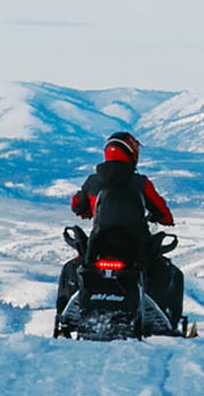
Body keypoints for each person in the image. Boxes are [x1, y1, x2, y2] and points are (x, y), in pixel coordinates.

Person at [56, 131, 184, 330]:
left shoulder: (92, 182)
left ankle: (64, 316)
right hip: (135, 250)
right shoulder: (141, 183)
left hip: (98, 248)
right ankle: (168, 321)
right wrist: (165, 219)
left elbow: (77, 205)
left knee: (73, 266)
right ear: (132, 153)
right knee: (168, 271)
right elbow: (163, 213)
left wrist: (87, 210)